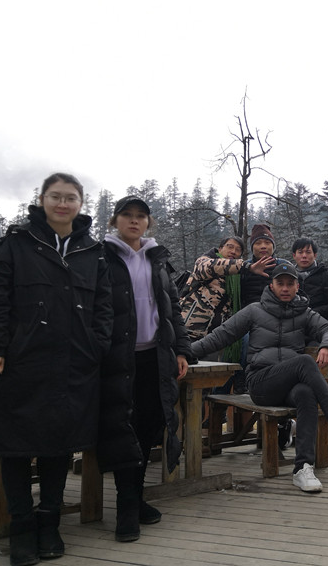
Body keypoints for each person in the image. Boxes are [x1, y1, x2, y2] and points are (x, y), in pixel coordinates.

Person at [0, 173, 113, 566]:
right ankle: (21, 528)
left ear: (80, 204)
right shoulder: (16, 243)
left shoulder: (92, 251)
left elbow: (105, 307)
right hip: (21, 362)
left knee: (59, 444)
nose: (62, 204)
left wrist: (96, 346)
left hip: (74, 364)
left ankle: (49, 523)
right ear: (42, 200)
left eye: (70, 197)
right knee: (15, 446)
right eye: (55, 196)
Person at [191, 263, 328, 493]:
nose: (285, 288)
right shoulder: (254, 311)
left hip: (289, 387)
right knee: (305, 361)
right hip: (261, 383)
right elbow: (221, 336)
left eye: (290, 284)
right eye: (280, 283)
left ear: (297, 286)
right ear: (272, 285)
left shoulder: (304, 313)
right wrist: (185, 352)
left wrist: (327, 346)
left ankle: (303, 468)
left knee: (306, 393)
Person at [96, 195, 194, 542]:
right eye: (127, 215)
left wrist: (181, 350)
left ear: (148, 222)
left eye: (141, 216)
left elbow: (172, 310)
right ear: (115, 221)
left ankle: (136, 499)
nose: (134, 221)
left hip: (155, 357)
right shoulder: (101, 258)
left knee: (149, 428)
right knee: (123, 430)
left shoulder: (157, 259)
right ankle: (126, 508)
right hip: (117, 360)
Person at [178, 236, 274, 394]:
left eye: (238, 250)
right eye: (230, 247)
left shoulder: (235, 277)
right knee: (181, 379)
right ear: (220, 248)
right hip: (189, 331)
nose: (233, 251)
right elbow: (213, 267)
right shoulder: (205, 261)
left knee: (204, 385)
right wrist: (246, 266)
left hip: (212, 337)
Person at [240, 223, 289, 307]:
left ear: (273, 246)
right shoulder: (245, 267)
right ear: (252, 247)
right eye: (258, 243)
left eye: (267, 242)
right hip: (249, 312)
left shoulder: (284, 266)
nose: (263, 246)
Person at [291, 237, 328, 321]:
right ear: (294, 255)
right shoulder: (289, 276)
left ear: (315, 255)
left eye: (308, 252)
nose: (304, 256)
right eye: (300, 252)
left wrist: (312, 314)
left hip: (321, 320)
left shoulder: (325, 275)